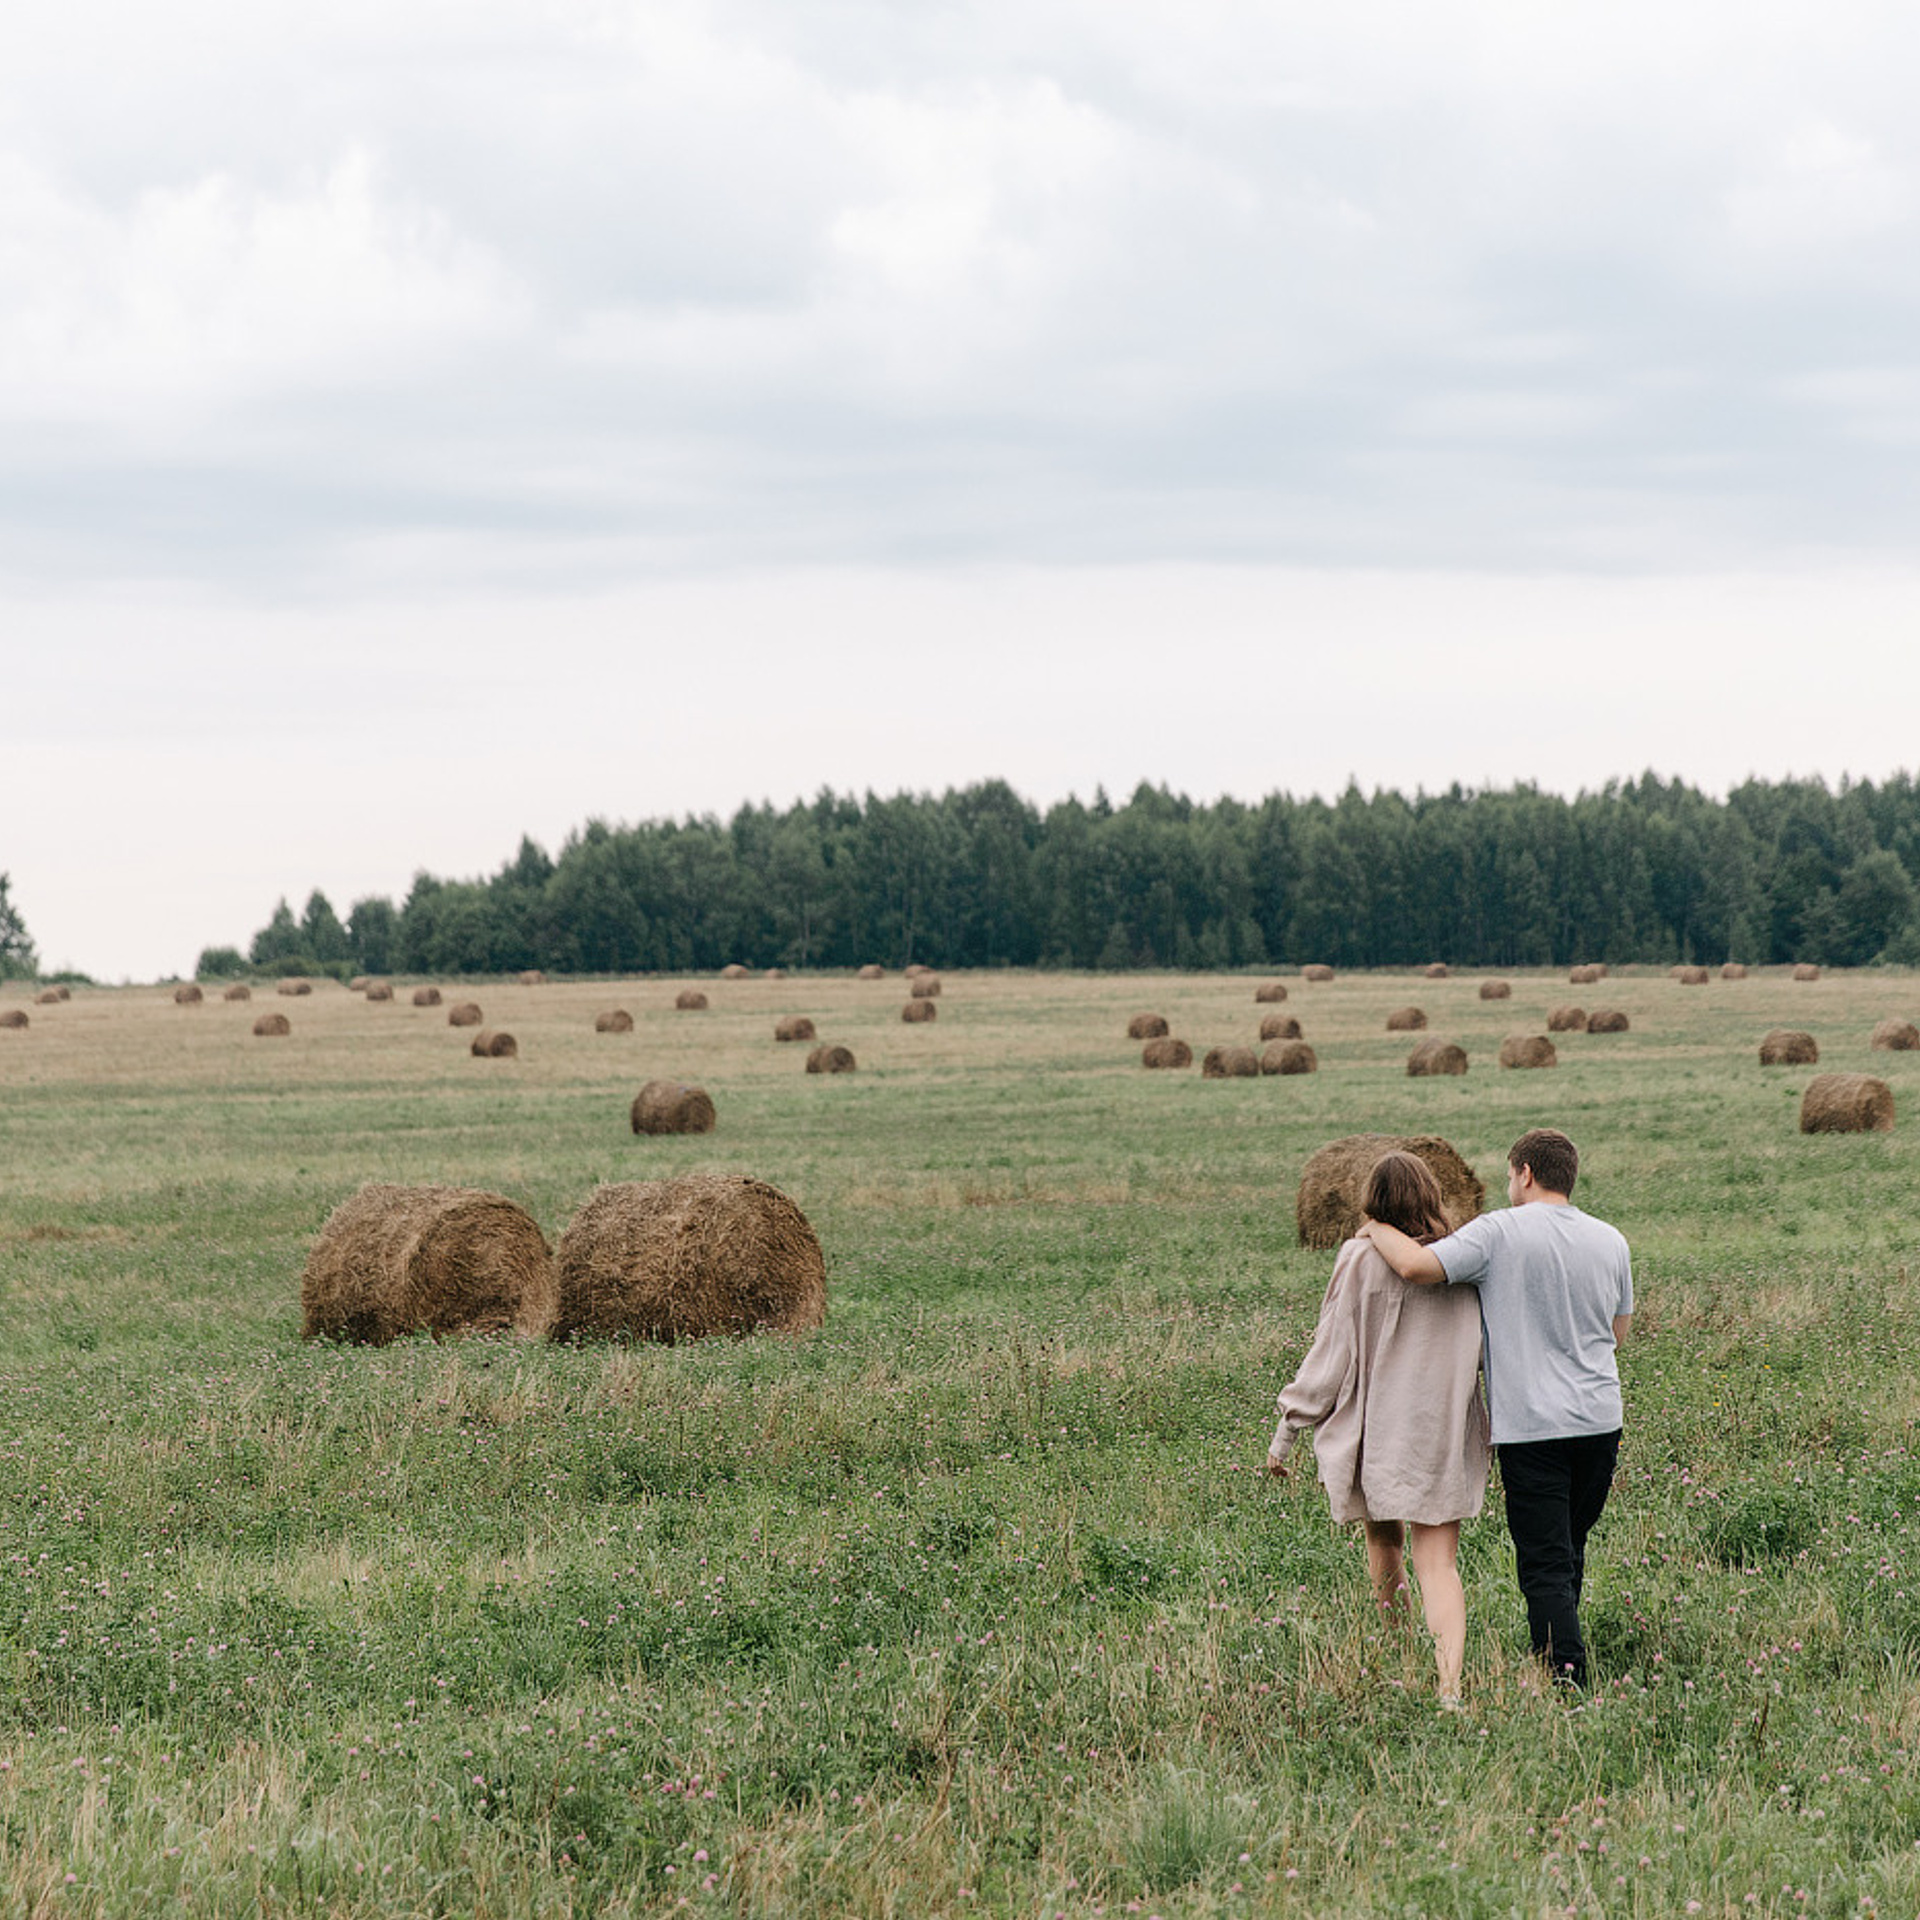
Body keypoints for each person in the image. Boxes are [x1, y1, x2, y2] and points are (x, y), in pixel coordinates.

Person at [1360, 1127, 1632, 1690]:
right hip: (1602, 1421)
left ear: (1525, 1173)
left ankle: (1565, 1679)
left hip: (1534, 1427)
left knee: (1545, 1560)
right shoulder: (1611, 1240)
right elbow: (1617, 1332)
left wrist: (1374, 1226)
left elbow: (1416, 1267)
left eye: (1510, 1175)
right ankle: (1562, 1645)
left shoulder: (1498, 1232)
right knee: (1569, 1546)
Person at [1267, 1150, 1490, 1705]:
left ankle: (1396, 1654)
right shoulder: (1460, 1261)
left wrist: (1288, 1429)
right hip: (1443, 1428)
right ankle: (1450, 1688)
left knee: (1383, 1541)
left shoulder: (1357, 1259)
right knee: (1438, 1565)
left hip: (1380, 1428)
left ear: (1372, 1202)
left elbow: (1331, 1350)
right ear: (1433, 1198)